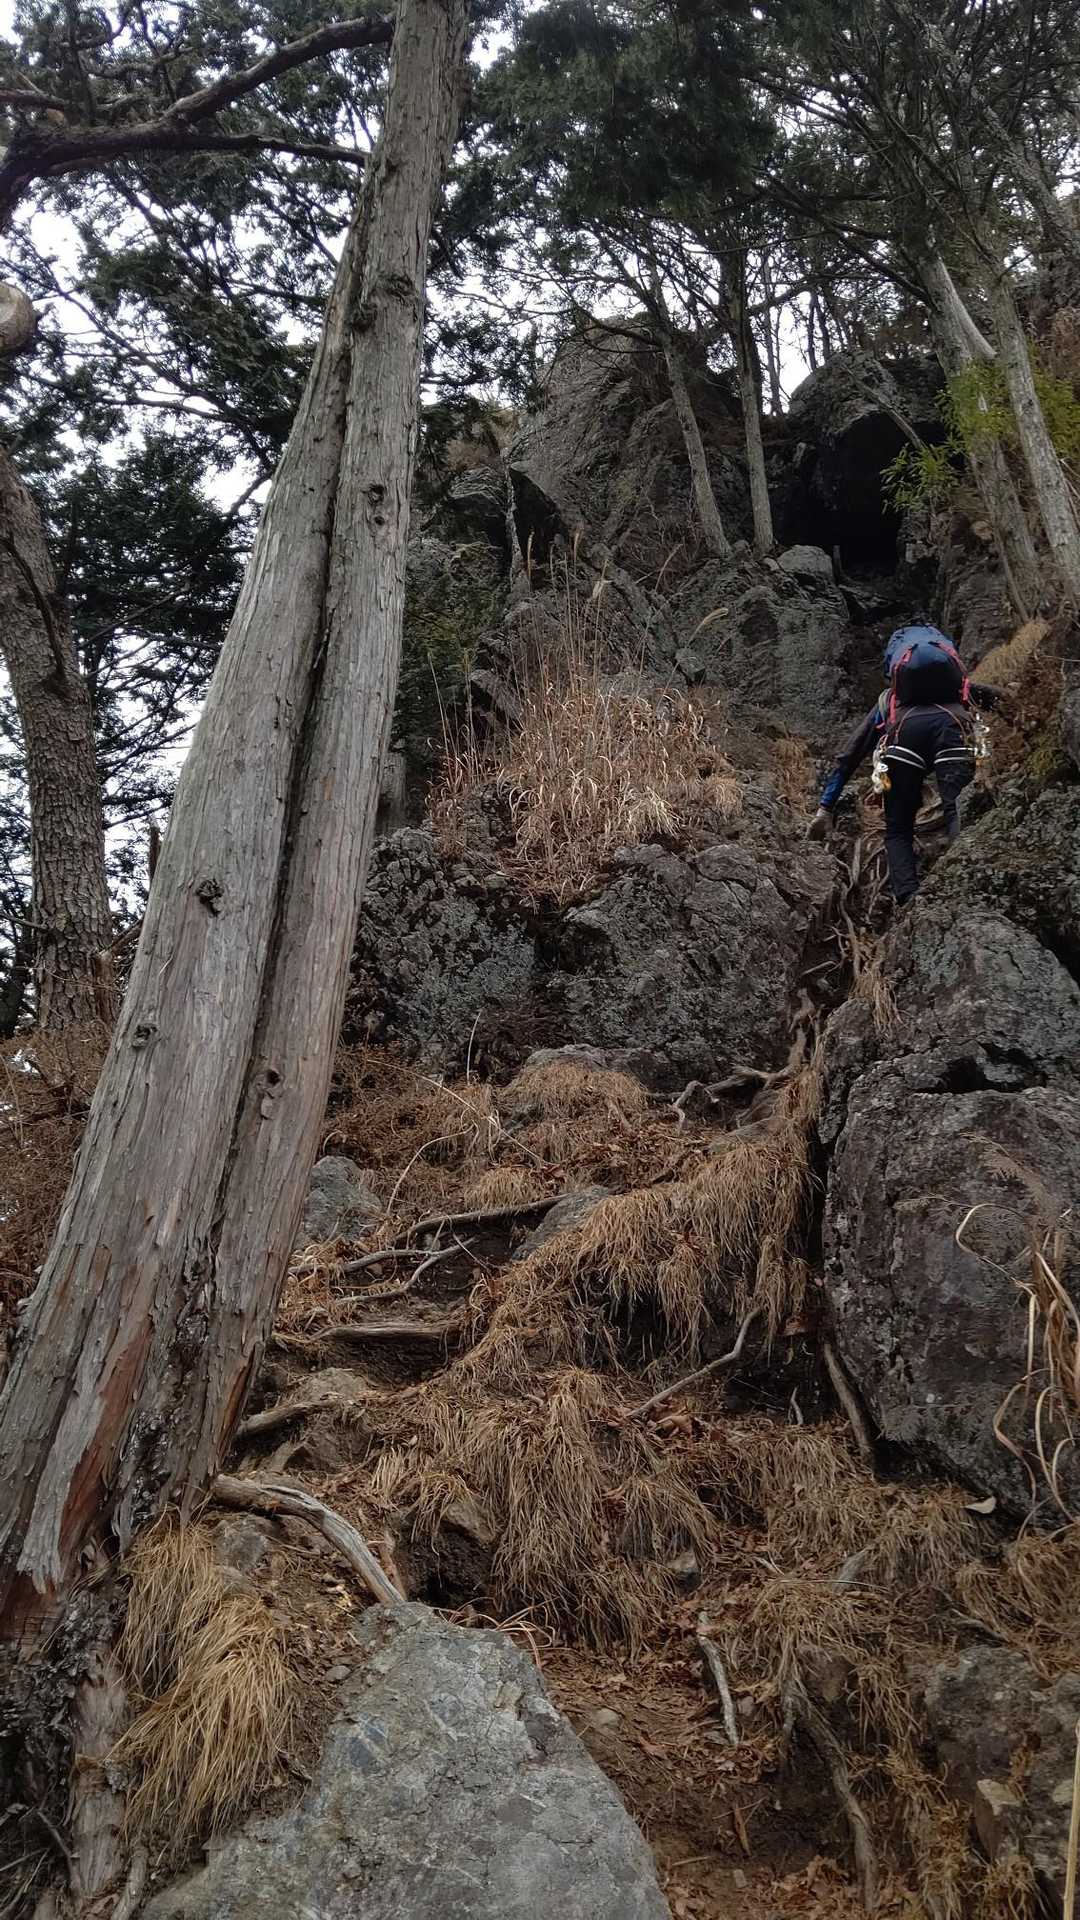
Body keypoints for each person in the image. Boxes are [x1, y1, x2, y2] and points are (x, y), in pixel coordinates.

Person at [807, 624, 1002, 903]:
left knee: (898, 829)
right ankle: (968, 886)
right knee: (956, 809)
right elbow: (1002, 701)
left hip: (903, 742)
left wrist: (825, 807)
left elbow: (850, 754)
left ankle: (908, 899)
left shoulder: (889, 701)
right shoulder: (960, 690)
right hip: (952, 729)